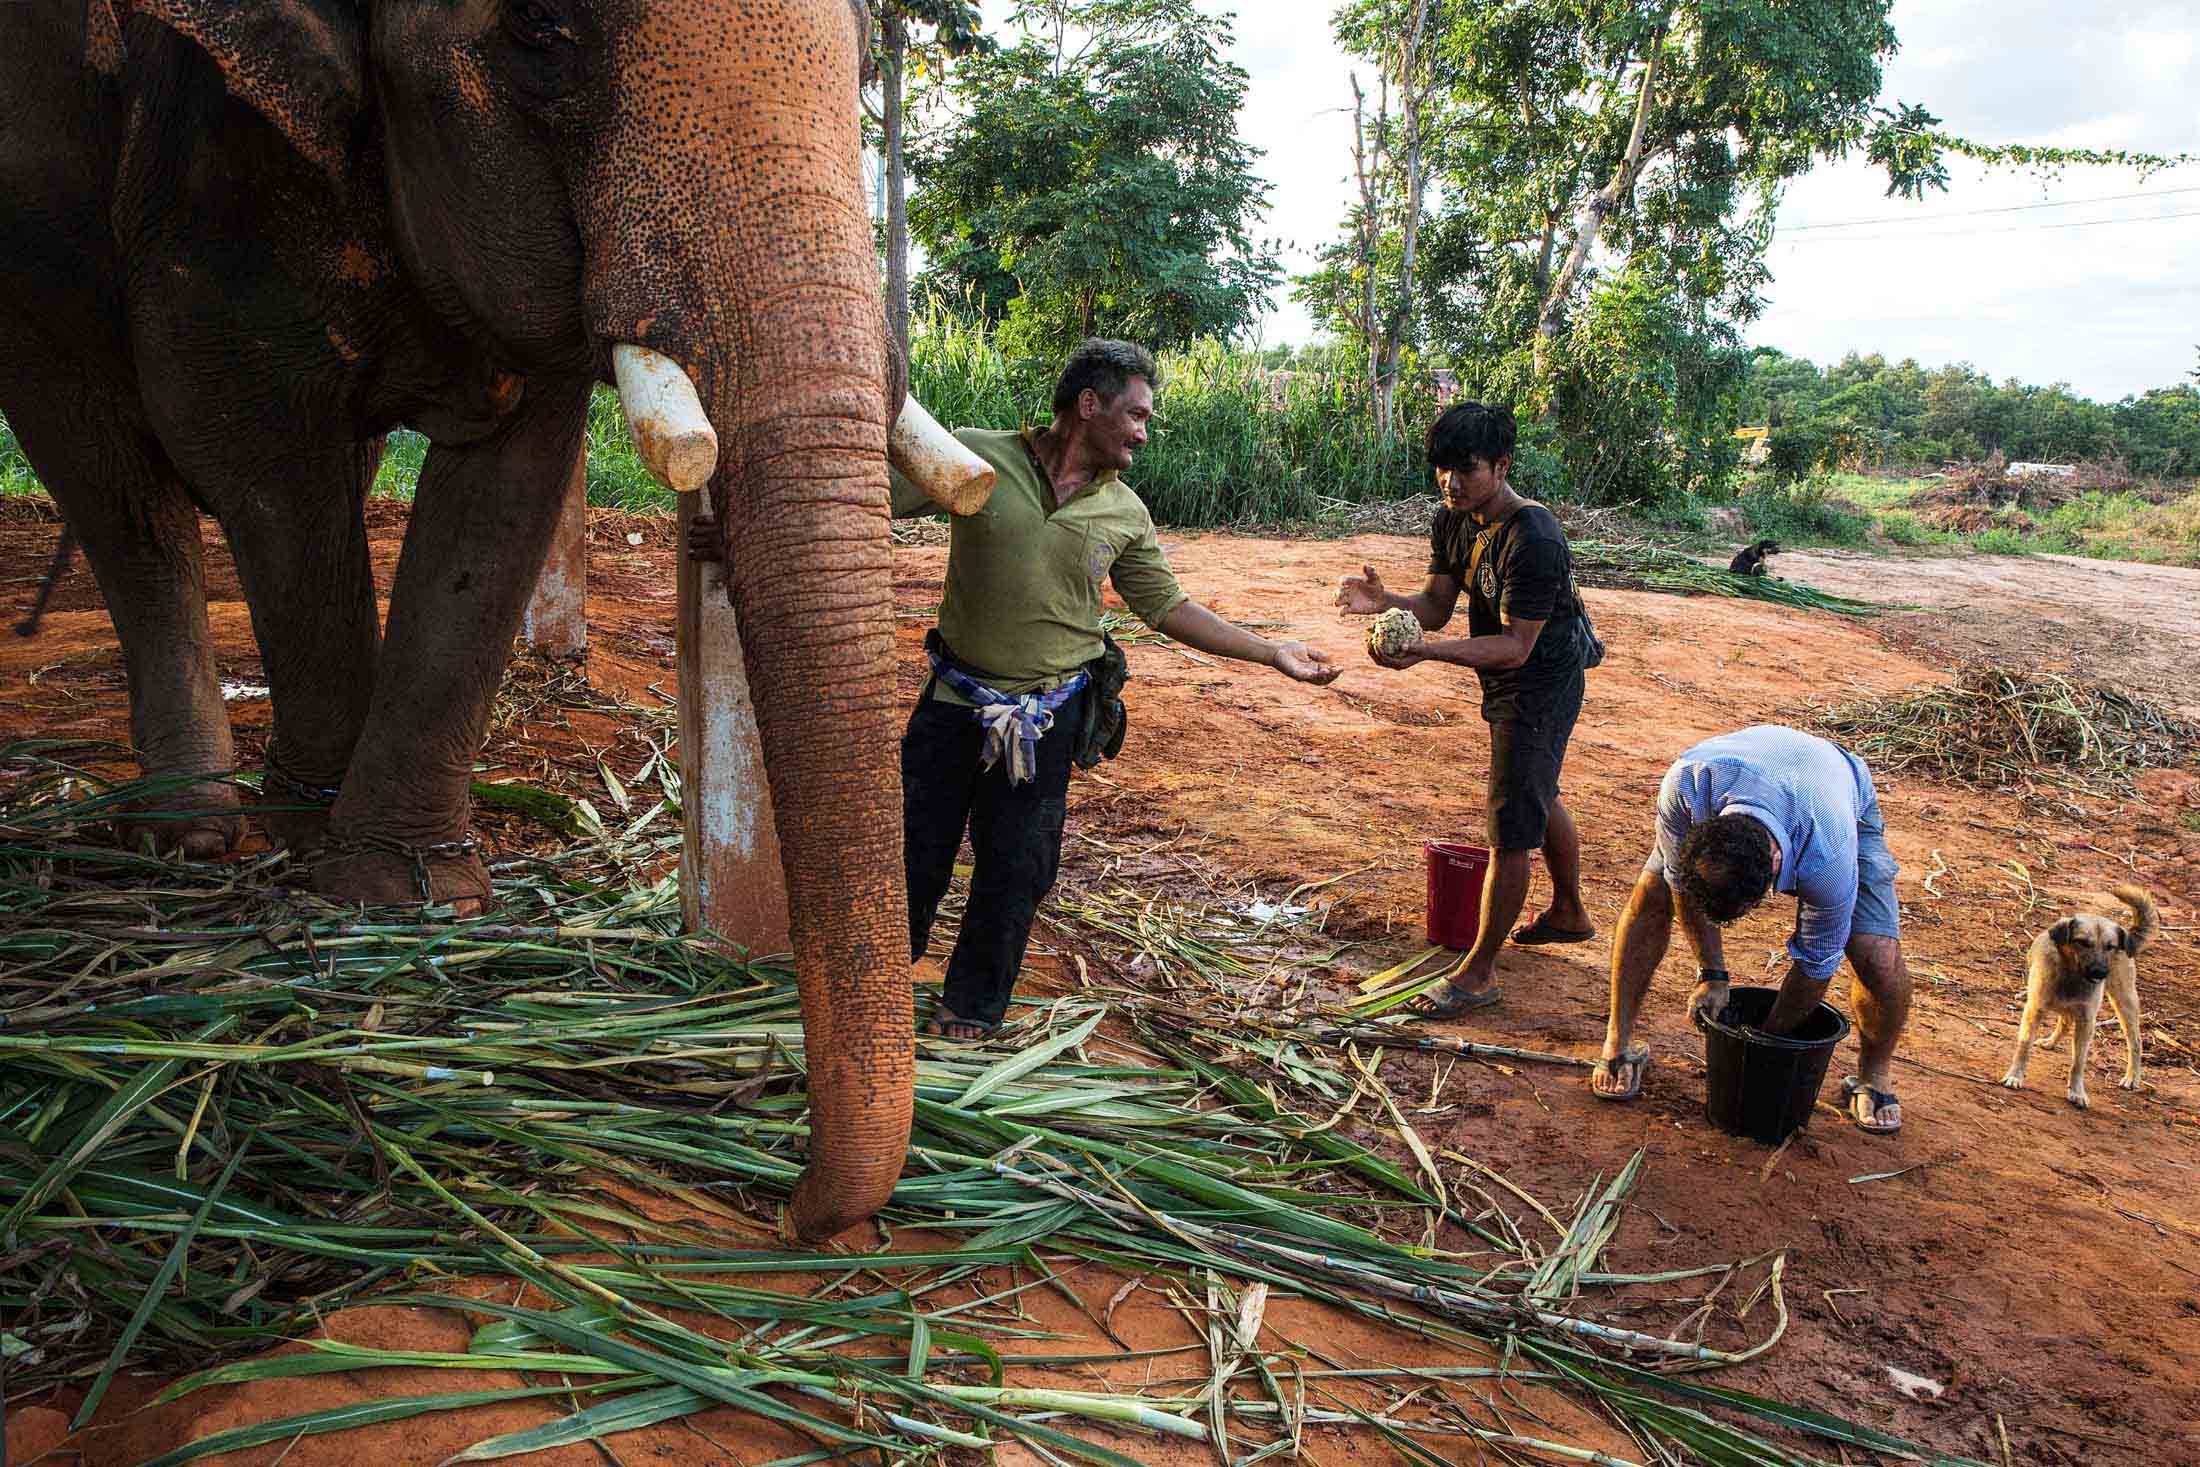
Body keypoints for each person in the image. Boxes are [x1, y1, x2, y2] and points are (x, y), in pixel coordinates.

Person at [700, 339, 1338, 1041]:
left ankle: (970, 1006)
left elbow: (1169, 608)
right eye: (1135, 414)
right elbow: (864, 497)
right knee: (911, 849)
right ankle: (876, 984)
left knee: (1016, 868)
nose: (1143, 432)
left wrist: (1270, 650)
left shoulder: (1125, 512)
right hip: (953, 705)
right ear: (1087, 405)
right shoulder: (974, 457)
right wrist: (742, 530)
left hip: (1047, 718)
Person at [1336, 401, 1599, 1018]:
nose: (1451, 482)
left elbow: (1516, 645)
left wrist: (1425, 651)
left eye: (1466, 469)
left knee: (1511, 823)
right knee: (1537, 789)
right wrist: (1386, 603)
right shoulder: (1452, 519)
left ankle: (1478, 973)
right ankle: (1568, 912)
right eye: (1442, 470)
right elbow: (1435, 603)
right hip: (1506, 674)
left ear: (1502, 466)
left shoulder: (1533, 537)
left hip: (1542, 679)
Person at [1590, 724, 1912, 1135]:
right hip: (1743, 766)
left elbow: (1816, 964)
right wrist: (1713, 975)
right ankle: (1617, 1044)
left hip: (1837, 784)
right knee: (1651, 896)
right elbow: (1680, 886)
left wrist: (1765, 1043)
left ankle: (1874, 1075)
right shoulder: (1687, 787)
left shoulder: (1828, 857)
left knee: (1874, 953)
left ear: (1776, 868)